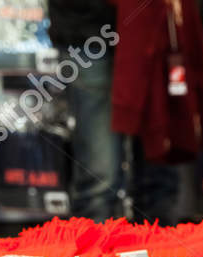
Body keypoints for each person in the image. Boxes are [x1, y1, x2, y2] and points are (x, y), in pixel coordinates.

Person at [47, 0, 182, 223]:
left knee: (158, 170)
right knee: (99, 178)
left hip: (153, 30)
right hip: (90, 31)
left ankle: (161, 252)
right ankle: (93, 254)